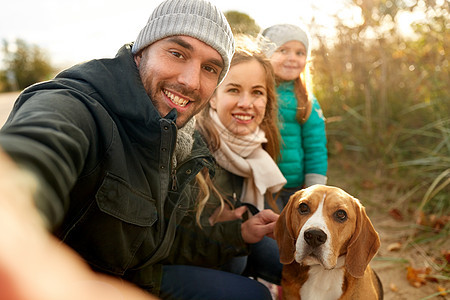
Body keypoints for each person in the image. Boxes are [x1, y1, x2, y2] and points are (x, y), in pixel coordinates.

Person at [0, 0, 278, 299]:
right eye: (177, 53)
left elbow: (163, 241)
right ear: (140, 51)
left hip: (144, 272)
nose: (190, 81)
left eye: (210, 68)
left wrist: (239, 234)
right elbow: (32, 155)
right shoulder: (78, 105)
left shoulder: (182, 137)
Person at [192, 37, 286, 284]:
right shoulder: (194, 148)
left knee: (302, 268)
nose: (246, 104)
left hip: (242, 239)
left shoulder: (256, 146)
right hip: (200, 258)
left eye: (257, 92)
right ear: (212, 97)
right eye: (233, 90)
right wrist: (219, 225)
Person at [259, 23, 328, 209]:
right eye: (283, 50)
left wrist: (315, 186)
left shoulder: (306, 99)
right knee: (269, 233)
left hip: (295, 187)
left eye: (300, 53)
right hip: (260, 185)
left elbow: (315, 145)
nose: (292, 58)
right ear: (265, 55)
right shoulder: (256, 92)